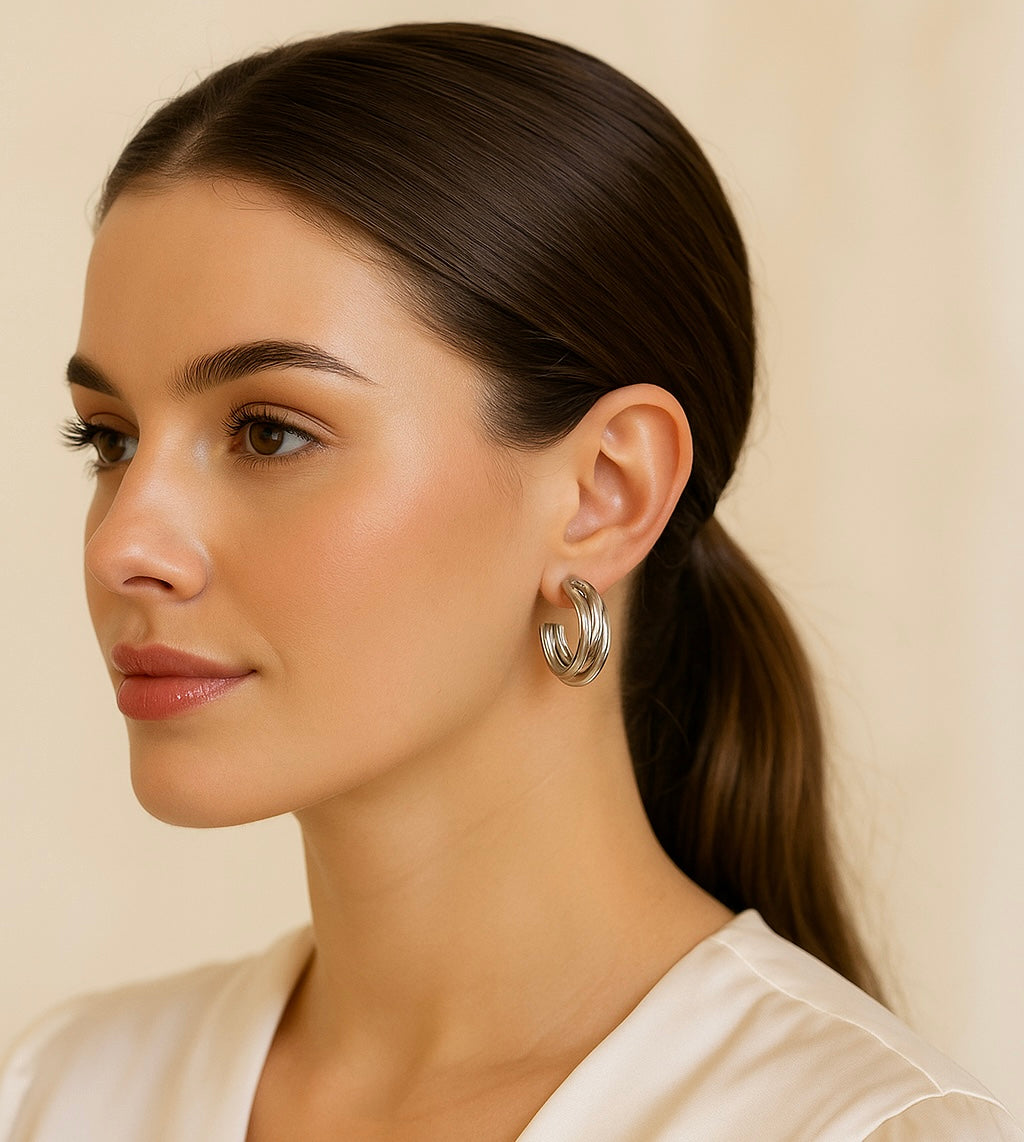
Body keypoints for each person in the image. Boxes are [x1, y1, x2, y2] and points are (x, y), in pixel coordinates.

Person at [0, 22, 1019, 1141]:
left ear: (603, 492)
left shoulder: (855, 1130)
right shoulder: (63, 1093)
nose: (122, 544)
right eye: (107, 440)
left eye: (269, 433)